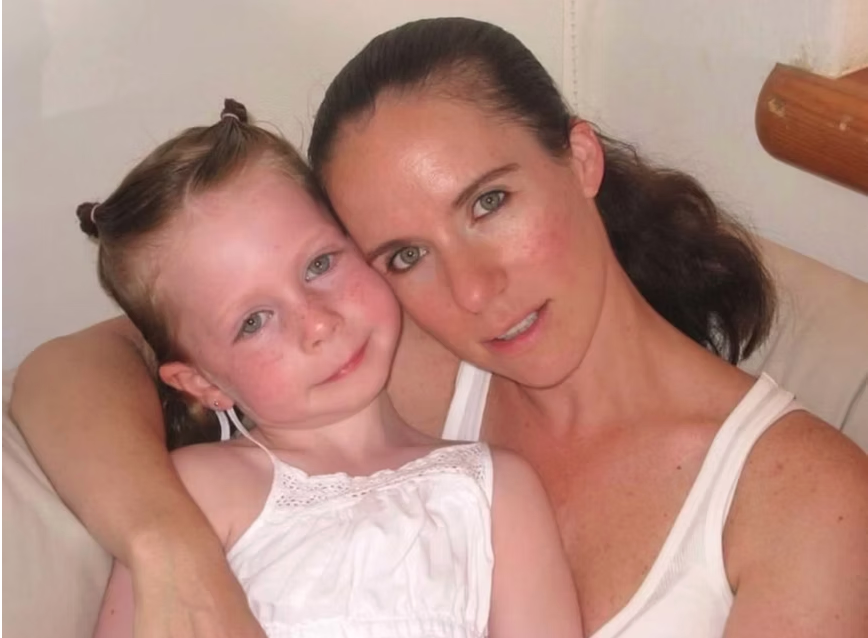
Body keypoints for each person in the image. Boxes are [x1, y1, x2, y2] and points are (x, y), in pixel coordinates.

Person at [11, 16, 868, 638]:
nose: (473, 290)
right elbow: (70, 369)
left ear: (579, 158)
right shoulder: (387, 360)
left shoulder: (804, 501)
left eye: (488, 203)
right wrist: (169, 545)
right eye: (404, 254)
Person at [79, 99, 581, 638]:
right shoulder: (193, 495)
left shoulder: (494, 491)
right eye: (254, 321)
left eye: (319, 264)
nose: (317, 323)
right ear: (202, 383)